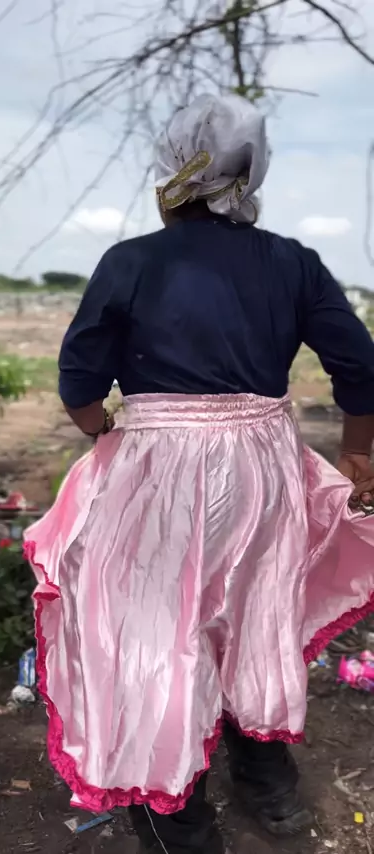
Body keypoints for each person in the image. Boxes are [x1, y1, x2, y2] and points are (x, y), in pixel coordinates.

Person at [24, 94, 374, 854]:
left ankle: (179, 823)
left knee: (158, 634)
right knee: (253, 616)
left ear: (172, 166)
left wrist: (100, 427)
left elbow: (80, 378)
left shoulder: (131, 262)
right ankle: (271, 788)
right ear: (254, 170)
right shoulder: (292, 262)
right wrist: (358, 453)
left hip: (159, 478)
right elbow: (359, 365)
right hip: (263, 472)